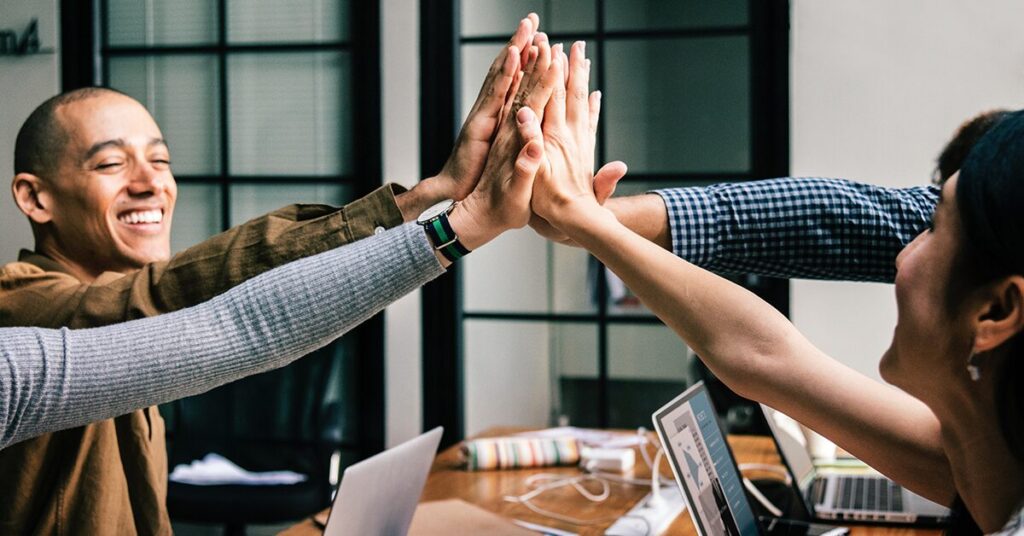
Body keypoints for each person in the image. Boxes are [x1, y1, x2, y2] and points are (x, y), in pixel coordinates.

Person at [1, 16, 611, 534]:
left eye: (160, 160)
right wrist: (436, 200)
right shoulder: (19, 307)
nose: (151, 183)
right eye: (111, 162)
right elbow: (194, 308)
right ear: (35, 199)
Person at [526, 39, 1024, 533]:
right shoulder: (984, 465)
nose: (900, 253)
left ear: (996, 313)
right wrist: (592, 221)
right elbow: (765, 356)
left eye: (933, 228)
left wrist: (585, 217)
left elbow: (766, 356)